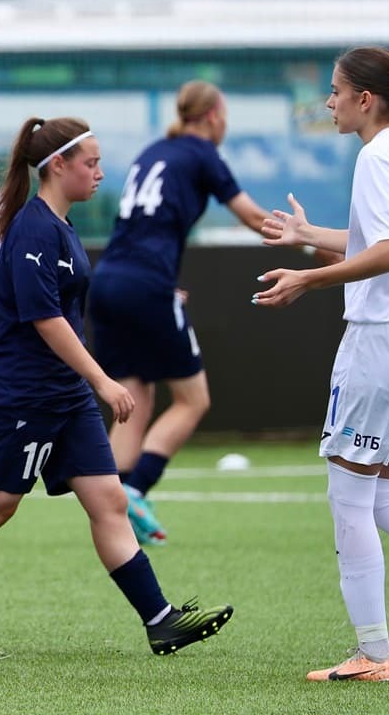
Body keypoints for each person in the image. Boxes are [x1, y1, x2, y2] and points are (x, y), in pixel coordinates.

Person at [0, 115, 234, 659]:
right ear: (57, 165)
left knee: (109, 500)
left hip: (64, 395)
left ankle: (160, 621)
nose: (100, 172)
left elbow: (12, 295)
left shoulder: (56, 227)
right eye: (91, 162)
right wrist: (104, 381)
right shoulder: (34, 227)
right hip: (26, 394)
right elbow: (45, 319)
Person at [256, 46, 389, 683]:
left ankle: (376, 655)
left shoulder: (377, 154)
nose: (328, 102)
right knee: (388, 496)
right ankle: (374, 652)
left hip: (383, 341)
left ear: (365, 99)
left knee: (350, 499)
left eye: (335, 91)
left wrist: (309, 278)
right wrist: (311, 236)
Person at [88, 80, 272, 545]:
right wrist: (311, 240)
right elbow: (252, 216)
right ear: (212, 116)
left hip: (108, 280)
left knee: (134, 397)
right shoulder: (202, 151)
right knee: (193, 400)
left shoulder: (155, 150)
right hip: (147, 285)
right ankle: (135, 490)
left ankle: (112, 508)